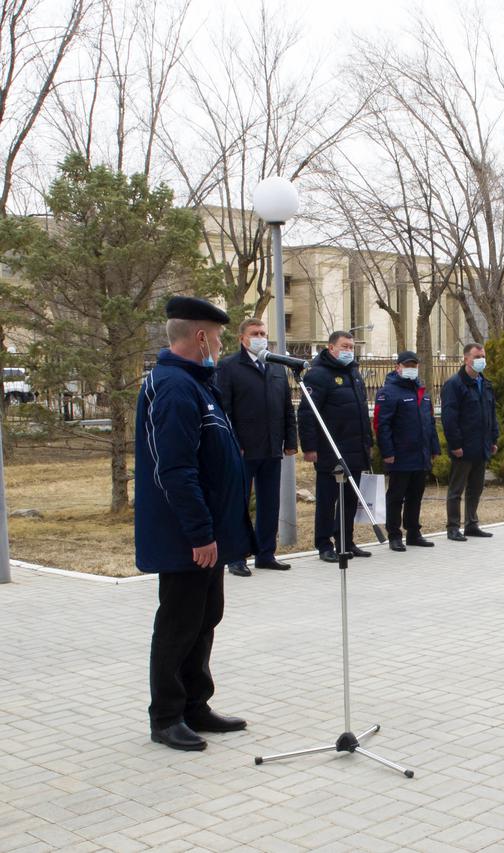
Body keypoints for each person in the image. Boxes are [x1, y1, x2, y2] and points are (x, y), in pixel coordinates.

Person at [135, 296, 254, 752]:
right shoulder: (173, 387)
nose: (222, 345)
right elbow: (176, 470)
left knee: (205, 617)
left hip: (209, 534)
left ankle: (195, 705)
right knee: (179, 623)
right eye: (220, 337)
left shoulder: (197, 383)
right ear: (200, 336)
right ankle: (166, 716)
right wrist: (200, 533)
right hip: (187, 537)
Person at [216, 318, 297, 577]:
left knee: (269, 504)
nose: (261, 337)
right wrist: (233, 444)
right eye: (255, 333)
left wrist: (290, 441)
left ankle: (265, 553)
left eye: (263, 332)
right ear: (242, 338)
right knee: (238, 504)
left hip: (272, 447)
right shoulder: (229, 367)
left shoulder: (276, 367)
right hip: (243, 450)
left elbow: (287, 408)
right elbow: (223, 410)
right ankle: (236, 556)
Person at [297, 331, 373, 562]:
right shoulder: (318, 375)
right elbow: (307, 413)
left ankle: (345, 541)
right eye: (344, 346)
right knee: (328, 500)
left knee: (350, 499)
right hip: (331, 449)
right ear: (331, 348)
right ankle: (324, 545)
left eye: (351, 347)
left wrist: (367, 443)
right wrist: (310, 448)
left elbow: (361, 412)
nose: (349, 351)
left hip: (355, 448)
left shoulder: (354, 373)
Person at [374, 351, 441, 551]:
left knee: (416, 495)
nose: (411, 369)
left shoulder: (422, 391)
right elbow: (381, 425)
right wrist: (387, 452)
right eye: (407, 365)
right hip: (400, 455)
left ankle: (413, 532)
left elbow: (430, 422)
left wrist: (434, 448)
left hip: (420, 454)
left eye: (414, 365)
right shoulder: (388, 392)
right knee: (396, 496)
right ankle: (394, 534)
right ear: (398, 367)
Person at [440, 343, 499, 541]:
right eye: (476, 356)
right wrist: (455, 445)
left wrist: (493, 438)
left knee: (476, 488)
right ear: (466, 359)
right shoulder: (454, 384)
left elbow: (491, 414)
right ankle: (453, 527)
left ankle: (471, 524)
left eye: (483, 356)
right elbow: (450, 418)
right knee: (456, 489)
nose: (481, 360)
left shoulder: (485, 383)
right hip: (463, 448)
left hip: (481, 446)